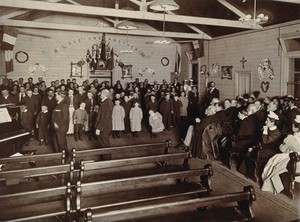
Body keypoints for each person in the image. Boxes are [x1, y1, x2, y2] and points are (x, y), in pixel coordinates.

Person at [261, 115, 300, 194]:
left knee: (272, 163)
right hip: (299, 163)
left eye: (293, 125)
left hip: (291, 160)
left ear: (296, 128)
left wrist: (282, 145)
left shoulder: (291, 138)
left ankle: (279, 187)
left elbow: (282, 149)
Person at [52, 90, 69, 155]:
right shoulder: (59, 103)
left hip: (61, 127)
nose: (55, 96)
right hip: (57, 127)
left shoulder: (64, 104)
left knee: (61, 142)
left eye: (56, 95)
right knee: (57, 141)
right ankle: (59, 155)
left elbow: (65, 117)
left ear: (60, 96)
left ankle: (64, 156)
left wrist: (58, 125)